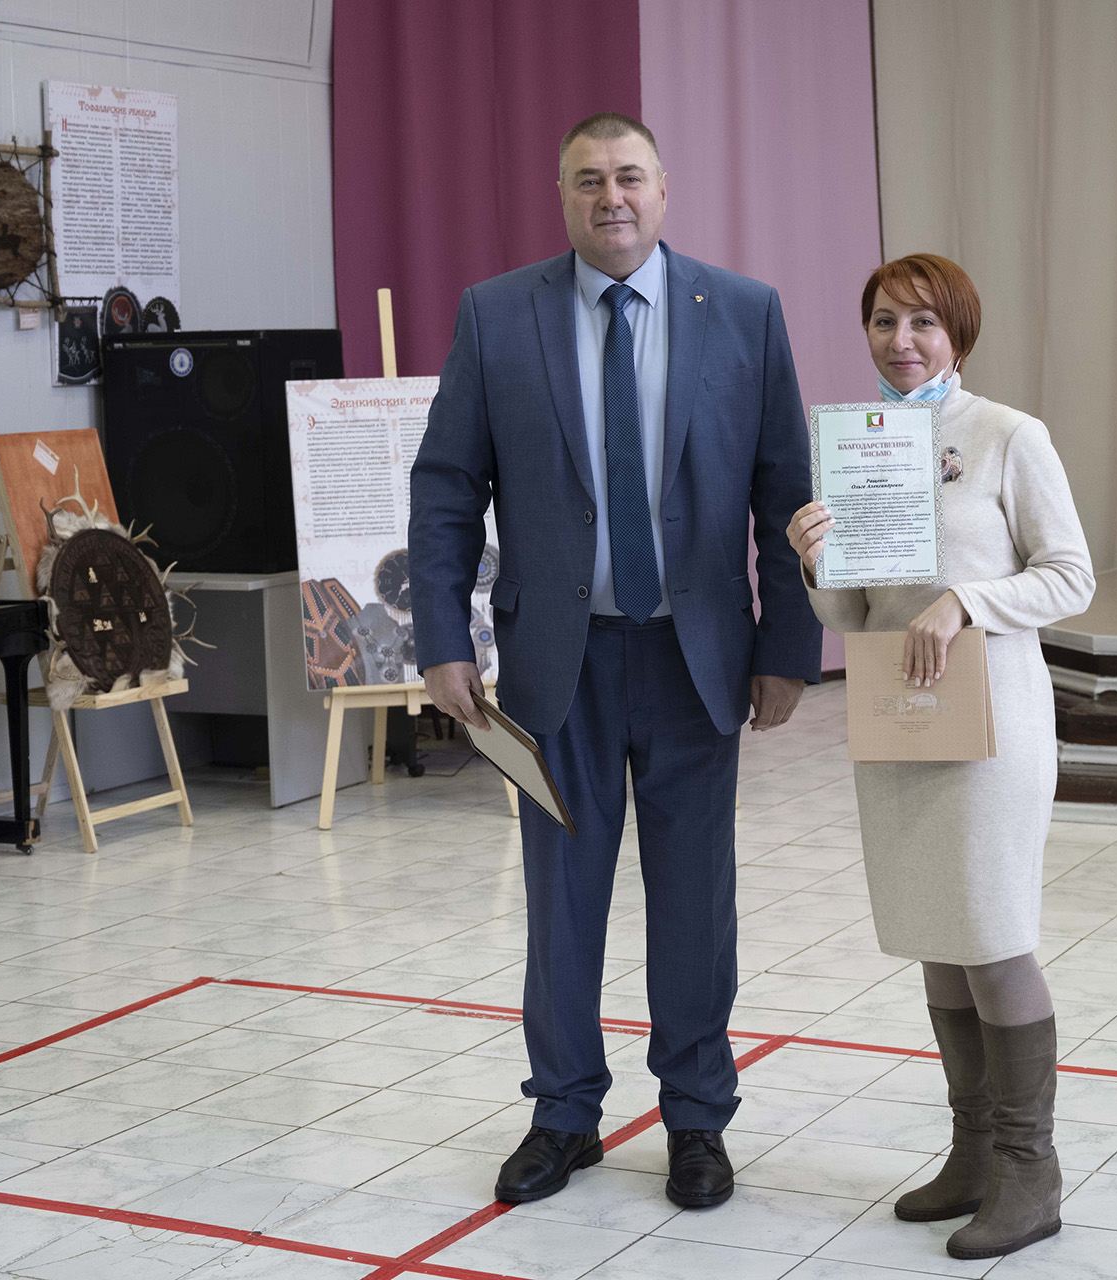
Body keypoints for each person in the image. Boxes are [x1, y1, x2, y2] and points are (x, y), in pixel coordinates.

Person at [410, 112, 821, 1211]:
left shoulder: (744, 312)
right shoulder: (498, 315)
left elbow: (786, 489)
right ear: (562, 195)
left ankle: (696, 1117)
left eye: (629, 176)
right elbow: (446, 486)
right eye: (588, 180)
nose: (612, 197)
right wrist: (443, 638)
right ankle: (563, 1113)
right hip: (559, 666)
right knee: (561, 900)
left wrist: (789, 646)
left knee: (695, 903)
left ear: (663, 189)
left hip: (697, 662)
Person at [786, 254, 1093, 1260]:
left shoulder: (1008, 434)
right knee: (938, 933)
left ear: (958, 330)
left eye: (922, 321)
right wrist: (814, 560)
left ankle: (1030, 1171)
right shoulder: (857, 446)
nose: (902, 339)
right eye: (884, 321)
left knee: (992, 935)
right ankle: (972, 1155)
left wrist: (967, 600)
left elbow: (1071, 577)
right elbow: (853, 614)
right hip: (900, 718)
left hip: (992, 725)